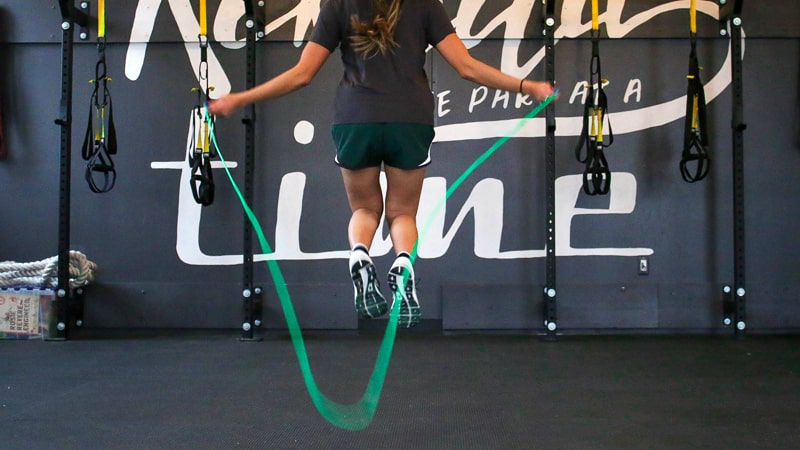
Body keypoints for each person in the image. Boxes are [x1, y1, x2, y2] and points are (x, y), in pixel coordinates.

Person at [209, 0, 555, 328]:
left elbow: (302, 75)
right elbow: (467, 68)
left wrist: (240, 98)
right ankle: (403, 264)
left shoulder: (338, 5)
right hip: (409, 119)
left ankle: (360, 253)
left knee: (364, 208)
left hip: (355, 119)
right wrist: (527, 86)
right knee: (402, 213)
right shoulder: (424, 5)